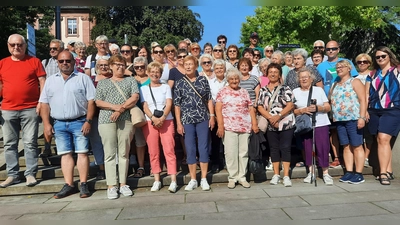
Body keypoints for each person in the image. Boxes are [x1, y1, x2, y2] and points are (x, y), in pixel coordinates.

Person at [39, 50, 94, 198]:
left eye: (68, 61)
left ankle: (83, 184)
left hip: (80, 121)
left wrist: (88, 121)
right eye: (61, 61)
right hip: (59, 123)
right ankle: (69, 184)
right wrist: (46, 124)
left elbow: (91, 101)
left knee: (82, 153)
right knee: (65, 154)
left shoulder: (83, 78)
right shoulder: (50, 80)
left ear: (74, 62)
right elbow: (44, 103)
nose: (65, 63)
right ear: (57, 63)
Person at [0, 34, 46, 188]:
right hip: (7, 108)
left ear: (25, 46)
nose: (16, 47)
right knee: (9, 144)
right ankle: (12, 175)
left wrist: (41, 102)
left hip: (30, 107)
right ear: (8, 46)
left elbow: (42, 81)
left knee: (30, 142)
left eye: (19, 44)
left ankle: (30, 174)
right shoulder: (2, 63)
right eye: (13, 45)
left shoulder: (34, 61)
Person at [95, 55, 139, 199]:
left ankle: (123, 183)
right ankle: (111, 185)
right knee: (109, 153)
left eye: (122, 64)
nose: (120, 67)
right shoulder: (103, 83)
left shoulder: (130, 80)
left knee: (123, 152)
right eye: (117, 64)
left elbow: (135, 97)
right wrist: (114, 107)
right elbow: (98, 102)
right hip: (106, 119)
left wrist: (120, 110)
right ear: (111, 66)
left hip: (125, 119)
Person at [174, 55, 215, 191]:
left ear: (196, 66)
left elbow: (209, 99)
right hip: (187, 120)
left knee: (203, 148)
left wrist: (212, 116)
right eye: (186, 64)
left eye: (191, 64)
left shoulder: (203, 80)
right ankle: (193, 179)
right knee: (190, 148)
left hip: (203, 118)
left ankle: (203, 178)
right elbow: (177, 104)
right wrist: (179, 123)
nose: (188, 66)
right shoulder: (180, 82)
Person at [317, 40, 358, 168]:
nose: (331, 51)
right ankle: (336, 157)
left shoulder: (347, 62)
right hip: (330, 103)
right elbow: (320, 85)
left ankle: (353, 160)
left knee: (351, 133)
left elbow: (354, 82)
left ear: (338, 49)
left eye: (333, 49)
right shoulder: (321, 66)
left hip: (348, 105)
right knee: (334, 132)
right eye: (328, 49)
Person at [215, 67, 257, 189]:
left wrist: (254, 123)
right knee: (230, 153)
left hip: (244, 126)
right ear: (228, 79)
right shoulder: (222, 91)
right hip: (229, 127)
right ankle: (232, 177)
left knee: (243, 153)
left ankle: (242, 177)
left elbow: (250, 108)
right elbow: (218, 109)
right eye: (232, 79)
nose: (234, 81)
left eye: (236, 78)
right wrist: (220, 126)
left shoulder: (244, 91)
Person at [140, 62, 177, 192]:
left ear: (161, 74)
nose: (155, 74)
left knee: (169, 150)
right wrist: (153, 118)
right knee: (153, 151)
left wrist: (162, 118)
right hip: (150, 122)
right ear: (148, 73)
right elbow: (144, 106)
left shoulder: (165, 87)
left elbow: (169, 103)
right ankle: (156, 179)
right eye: (152, 72)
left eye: (157, 72)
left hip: (166, 120)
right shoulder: (143, 88)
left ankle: (173, 179)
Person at [292, 68, 333, 185]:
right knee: (308, 147)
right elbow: (292, 111)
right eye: (301, 77)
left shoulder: (318, 90)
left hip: (320, 122)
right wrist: (303, 110)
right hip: (305, 125)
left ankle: (325, 172)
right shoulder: (295, 91)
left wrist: (318, 108)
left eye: (306, 77)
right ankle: (311, 172)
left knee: (323, 147)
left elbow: (328, 107)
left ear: (311, 79)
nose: (304, 79)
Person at [257, 63, 296, 187]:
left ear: (279, 74)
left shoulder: (286, 88)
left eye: (275, 72)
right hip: (270, 124)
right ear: (267, 74)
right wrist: (270, 118)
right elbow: (259, 106)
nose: (273, 74)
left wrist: (278, 116)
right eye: (270, 72)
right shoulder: (263, 90)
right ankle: (276, 174)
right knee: (273, 148)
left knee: (285, 147)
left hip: (285, 123)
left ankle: (286, 175)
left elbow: (290, 105)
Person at [366, 46, 400, 185]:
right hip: (374, 109)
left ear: (389, 56)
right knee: (380, 140)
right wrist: (365, 111)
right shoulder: (372, 73)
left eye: (383, 56)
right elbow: (366, 93)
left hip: (393, 109)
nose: (380, 59)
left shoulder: (397, 70)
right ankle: (389, 169)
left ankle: (383, 173)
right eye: (377, 57)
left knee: (383, 138)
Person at [330, 60, 366, 184]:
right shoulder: (335, 83)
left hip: (353, 118)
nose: (339, 69)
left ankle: (359, 173)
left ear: (349, 68)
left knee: (357, 145)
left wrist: (362, 117)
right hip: (340, 120)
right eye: (337, 67)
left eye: (342, 67)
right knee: (346, 146)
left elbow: (363, 100)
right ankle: (349, 171)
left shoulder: (355, 81)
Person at [40, 39, 64, 157]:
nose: (52, 50)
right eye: (50, 48)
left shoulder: (66, 61)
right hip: (49, 98)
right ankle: (47, 147)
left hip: (63, 97)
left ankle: (63, 147)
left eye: (55, 48)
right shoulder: (45, 62)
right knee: (47, 123)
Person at [89, 56, 112, 180]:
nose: (103, 67)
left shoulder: (114, 78)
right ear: (97, 67)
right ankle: (102, 168)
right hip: (96, 114)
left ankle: (112, 167)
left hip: (112, 115)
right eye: (101, 65)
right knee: (97, 142)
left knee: (111, 142)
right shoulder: (92, 80)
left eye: (106, 64)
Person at [131, 56, 150, 178]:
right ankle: (141, 166)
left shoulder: (151, 78)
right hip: (137, 114)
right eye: (136, 67)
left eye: (142, 67)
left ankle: (155, 165)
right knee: (140, 142)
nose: (139, 69)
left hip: (151, 114)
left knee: (153, 141)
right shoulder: (131, 80)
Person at [208, 59, 228, 173]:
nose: (219, 70)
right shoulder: (210, 82)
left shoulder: (229, 81)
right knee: (215, 139)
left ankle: (227, 161)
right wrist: (213, 114)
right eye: (217, 68)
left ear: (224, 69)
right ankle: (215, 162)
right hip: (215, 113)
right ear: (214, 70)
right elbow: (209, 99)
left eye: (221, 68)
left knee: (228, 140)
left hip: (229, 113)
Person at [355, 53, 373, 167]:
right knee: (358, 134)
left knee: (368, 135)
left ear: (369, 63)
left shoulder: (372, 75)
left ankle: (366, 157)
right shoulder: (354, 76)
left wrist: (366, 110)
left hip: (370, 107)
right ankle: (359, 156)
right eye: (359, 62)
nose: (362, 64)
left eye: (365, 62)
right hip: (356, 107)